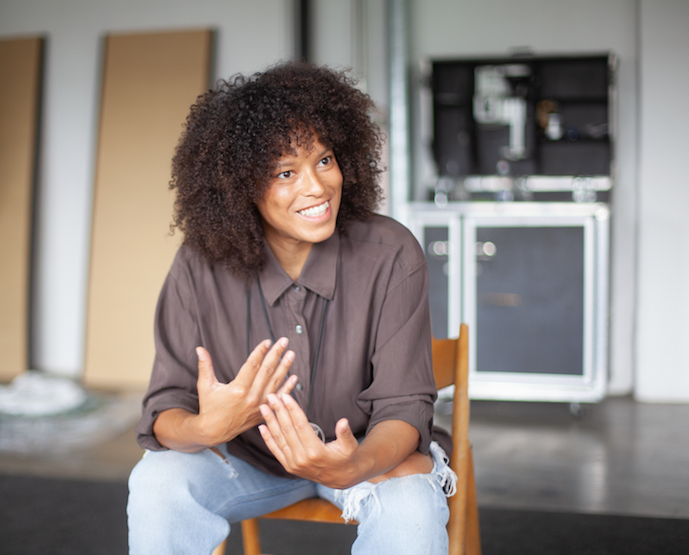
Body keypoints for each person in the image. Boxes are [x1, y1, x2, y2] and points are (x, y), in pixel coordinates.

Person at [127, 61, 456, 555]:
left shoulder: (391, 252)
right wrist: (206, 428)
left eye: (324, 160)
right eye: (286, 172)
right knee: (158, 480)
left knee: (412, 502)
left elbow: (403, 406)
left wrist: (355, 466)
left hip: (365, 458)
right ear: (239, 187)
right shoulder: (198, 264)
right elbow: (164, 406)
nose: (318, 187)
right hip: (249, 462)